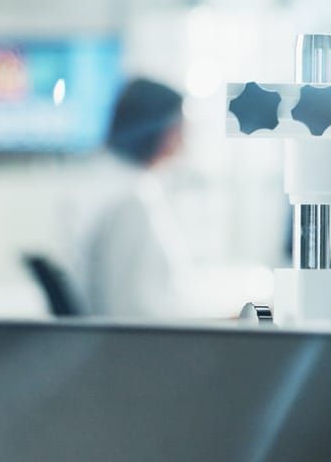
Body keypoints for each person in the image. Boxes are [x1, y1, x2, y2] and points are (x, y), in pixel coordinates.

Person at [71, 78, 256, 319]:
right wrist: (225, 319)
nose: (184, 136)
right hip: (145, 348)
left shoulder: (105, 183)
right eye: (179, 125)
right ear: (157, 128)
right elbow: (134, 312)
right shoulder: (129, 202)